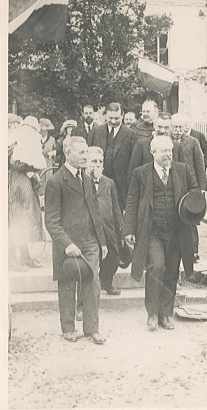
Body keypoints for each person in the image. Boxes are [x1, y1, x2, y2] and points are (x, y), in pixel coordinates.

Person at [124, 136, 197, 331]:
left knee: (172, 270)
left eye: (170, 151)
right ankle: (152, 313)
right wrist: (129, 229)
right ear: (152, 152)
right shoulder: (141, 173)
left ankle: (166, 314)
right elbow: (131, 201)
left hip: (176, 230)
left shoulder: (183, 170)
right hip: (152, 230)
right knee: (156, 266)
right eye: (163, 151)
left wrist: (194, 211)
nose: (168, 155)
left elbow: (195, 195)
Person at [45, 136, 107, 344]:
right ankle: (68, 328)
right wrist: (67, 244)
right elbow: (51, 222)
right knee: (67, 285)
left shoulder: (87, 178)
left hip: (90, 242)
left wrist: (102, 242)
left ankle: (92, 329)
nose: (85, 157)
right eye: (81, 153)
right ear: (67, 153)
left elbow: (95, 212)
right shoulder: (56, 182)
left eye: (86, 152)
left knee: (93, 283)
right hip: (68, 244)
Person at [76, 146, 124, 324]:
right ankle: (81, 305)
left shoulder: (108, 183)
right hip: (89, 233)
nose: (97, 165)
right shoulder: (80, 181)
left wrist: (122, 231)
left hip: (108, 230)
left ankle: (107, 282)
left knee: (113, 258)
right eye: (93, 161)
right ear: (86, 163)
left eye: (100, 162)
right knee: (89, 269)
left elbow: (116, 209)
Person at [8, 116, 47, 271]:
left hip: (21, 184)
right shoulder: (15, 144)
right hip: (15, 186)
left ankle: (25, 257)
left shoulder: (22, 141)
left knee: (24, 220)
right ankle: (11, 261)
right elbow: (15, 163)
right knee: (15, 222)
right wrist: (31, 171)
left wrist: (32, 174)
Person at [171, 113, 207, 262]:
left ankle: (193, 251)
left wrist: (201, 187)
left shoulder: (193, 142)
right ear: (171, 127)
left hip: (189, 185)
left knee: (191, 218)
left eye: (181, 127)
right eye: (175, 127)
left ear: (185, 128)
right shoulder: (166, 142)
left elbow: (200, 164)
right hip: (173, 184)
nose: (178, 130)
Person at [88, 102, 137, 211]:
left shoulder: (131, 134)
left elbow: (133, 163)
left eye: (116, 118)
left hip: (121, 185)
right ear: (105, 115)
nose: (113, 121)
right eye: (110, 118)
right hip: (98, 181)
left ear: (122, 115)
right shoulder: (96, 131)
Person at [128, 112, 184, 181]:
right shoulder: (141, 145)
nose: (162, 130)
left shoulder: (177, 147)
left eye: (166, 127)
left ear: (171, 128)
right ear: (154, 125)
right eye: (160, 127)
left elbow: (182, 173)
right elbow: (133, 173)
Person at [39, 118, 56, 198]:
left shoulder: (52, 140)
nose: (44, 132)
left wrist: (53, 153)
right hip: (38, 164)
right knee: (39, 182)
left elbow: (56, 152)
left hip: (48, 165)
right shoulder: (36, 138)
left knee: (48, 183)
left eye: (46, 130)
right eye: (42, 130)